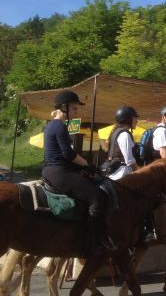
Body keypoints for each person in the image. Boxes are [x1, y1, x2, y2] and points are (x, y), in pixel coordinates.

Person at [42, 90, 116, 255]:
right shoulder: (59, 125)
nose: (77, 112)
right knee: (97, 197)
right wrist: (87, 164)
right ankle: (96, 243)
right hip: (59, 172)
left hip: (50, 170)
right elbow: (68, 154)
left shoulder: (50, 125)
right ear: (64, 108)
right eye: (74, 109)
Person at [105, 106, 139, 181]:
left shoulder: (116, 132)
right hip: (122, 174)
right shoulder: (125, 135)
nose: (137, 121)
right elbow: (129, 161)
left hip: (114, 172)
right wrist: (142, 171)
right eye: (135, 118)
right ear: (127, 119)